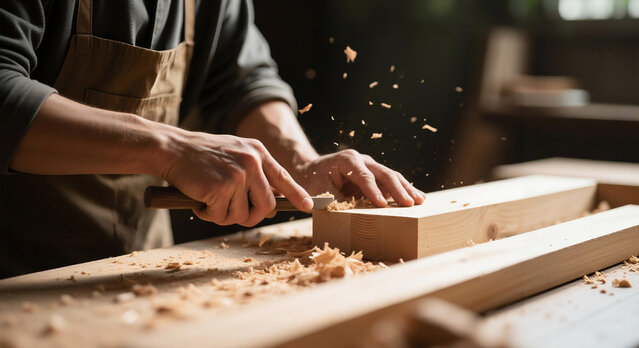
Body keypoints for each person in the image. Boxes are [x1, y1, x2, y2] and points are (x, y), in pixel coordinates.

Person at [0, 0, 425, 278]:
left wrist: (300, 163)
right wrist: (169, 148)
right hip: (17, 277)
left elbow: (243, 82)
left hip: (136, 273)